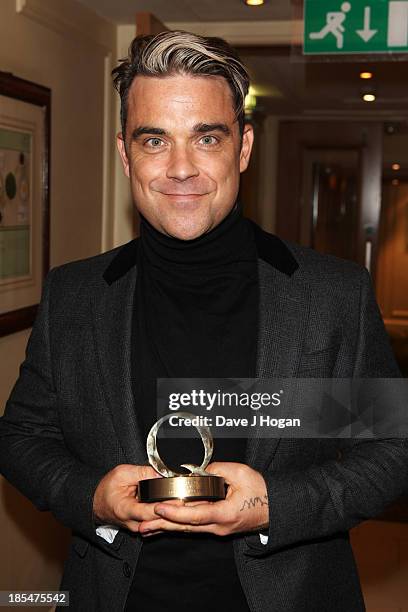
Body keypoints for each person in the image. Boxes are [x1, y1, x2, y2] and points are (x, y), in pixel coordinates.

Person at [0, 30, 407, 612]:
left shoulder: (331, 295)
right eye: (155, 140)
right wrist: (92, 495)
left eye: (206, 137)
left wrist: (273, 504)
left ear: (242, 148)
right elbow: (22, 436)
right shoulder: (76, 295)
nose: (181, 168)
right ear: (125, 154)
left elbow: (393, 448)